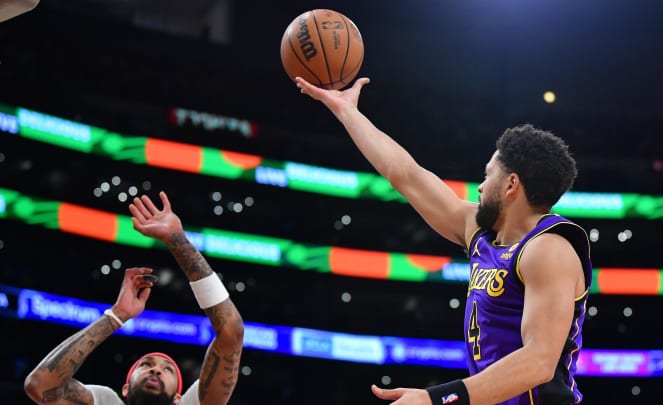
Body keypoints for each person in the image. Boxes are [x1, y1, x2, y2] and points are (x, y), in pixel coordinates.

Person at [296, 77, 593, 405]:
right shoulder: (480, 233)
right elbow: (406, 175)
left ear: (511, 184)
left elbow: (539, 361)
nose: (480, 187)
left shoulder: (549, 249)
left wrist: (434, 399)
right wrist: (346, 110)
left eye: (487, 175)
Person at [24, 191, 244, 405]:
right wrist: (116, 316)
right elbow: (41, 386)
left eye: (167, 369)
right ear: (126, 388)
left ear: (179, 399)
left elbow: (231, 332)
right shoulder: (105, 401)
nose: (156, 369)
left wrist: (177, 240)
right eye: (146, 364)